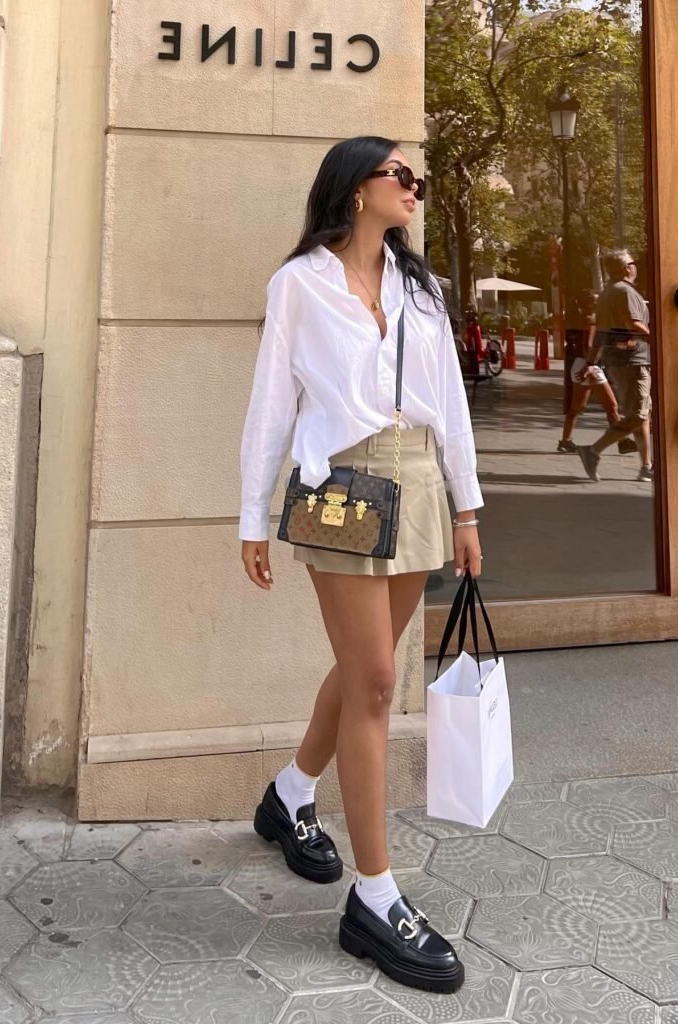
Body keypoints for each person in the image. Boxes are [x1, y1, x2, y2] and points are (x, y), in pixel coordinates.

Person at [239, 136, 483, 994]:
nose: (414, 189)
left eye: (416, 179)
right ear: (354, 189)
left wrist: (466, 504)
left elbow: (448, 396)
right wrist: (251, 516)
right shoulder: (298, 283)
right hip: (340, 485)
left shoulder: (422, 287)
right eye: (400, 176)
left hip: (416, 477)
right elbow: (273, 401)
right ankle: (374, 901)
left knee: (361, 671)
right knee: (378, 678)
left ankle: (288, 794)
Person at [576, 250, 652, 482]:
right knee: (639, 414)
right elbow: (634, 324)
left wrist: (591, 361)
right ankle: (593, 450)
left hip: (618, 362)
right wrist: (658, 336)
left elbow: (600, 333)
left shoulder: (607, 292)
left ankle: (646, 466)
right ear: (625, 268)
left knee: (640, 414)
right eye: (632, 262)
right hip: (634, 361)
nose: (635, 265)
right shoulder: (625, 292)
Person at [557, 290, 627, 453]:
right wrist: (591, 364)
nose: (597, 304)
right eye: (594, 302)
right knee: (612, 406)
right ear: (587, 305)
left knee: (577, 407)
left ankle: (565, 440)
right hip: (590, 366)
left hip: (581, 363)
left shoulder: (586, 319)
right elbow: (590, 345)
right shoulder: (593, 320)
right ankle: (622, 441)